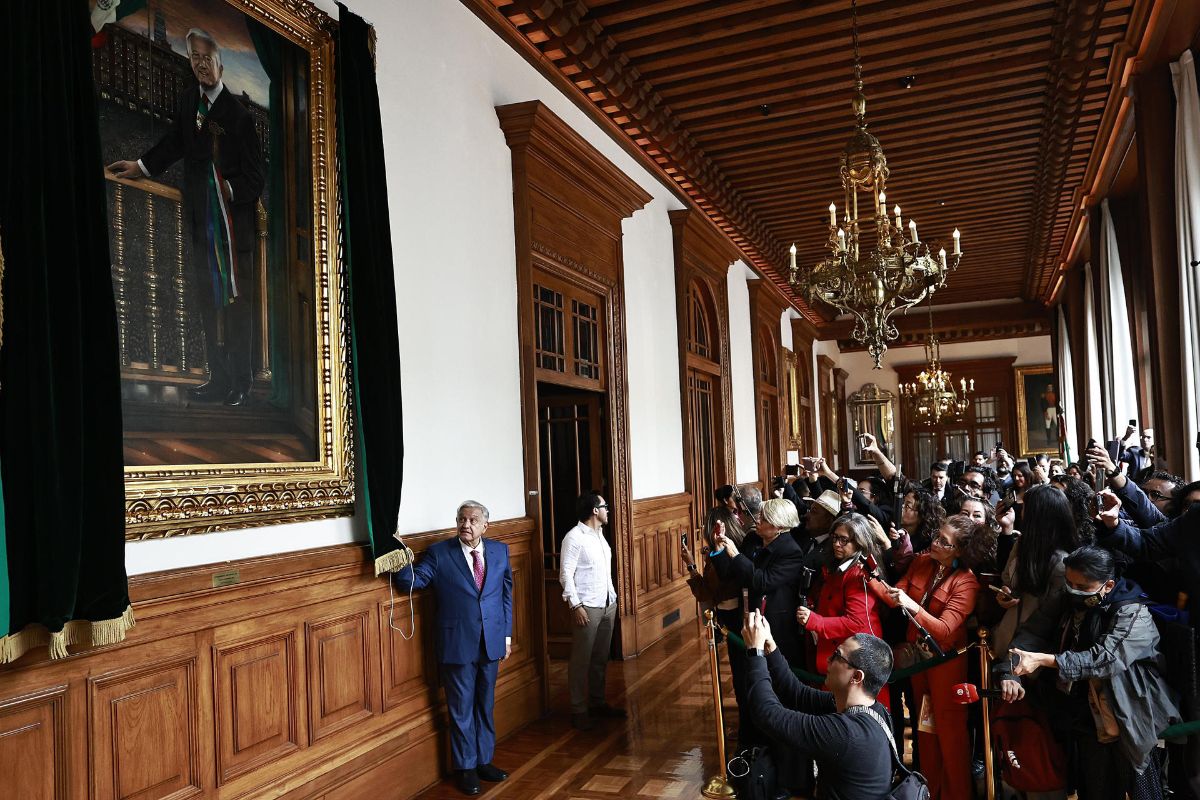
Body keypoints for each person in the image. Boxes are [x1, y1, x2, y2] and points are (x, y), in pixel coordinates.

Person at [108, 28, 265, 407]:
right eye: (193, 57)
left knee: (237, 306)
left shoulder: (240, 117)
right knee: (208, 301)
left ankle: (240, 384)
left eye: (205, 58)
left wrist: (226, 192)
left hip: (233, 233)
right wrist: (142, 166)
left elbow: (255, 179)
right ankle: (217, 378)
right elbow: (175, 144)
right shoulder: (186, 103)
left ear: (220, 65)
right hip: (200, 227)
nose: (199, 64)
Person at [997, 546, 1180, 799]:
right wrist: (1011, 672)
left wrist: (1047, 661)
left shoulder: (1133, 612)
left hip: (1128, 713)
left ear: (1108, 585)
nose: (1074, 591)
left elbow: (1105, 659)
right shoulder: (1066, 598)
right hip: (1084, 715)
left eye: (1083, 587)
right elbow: (1034, 633)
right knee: (1095, 790)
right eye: (1070, 583)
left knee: (1142, 792)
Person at [393, 501, 512, 796]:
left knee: (485, 705)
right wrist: (395, 556)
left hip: (492, 641)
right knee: (461, 709)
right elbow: (415, 581)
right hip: (457, 644)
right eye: (461, 519)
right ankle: (466, 768)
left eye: (472, 520)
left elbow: (506, 596)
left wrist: (506, 637)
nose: (465, 525)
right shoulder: (439, 553)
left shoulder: (499, 551)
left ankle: (485, 760)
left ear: (486, 525)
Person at [883, 514, 995, 800]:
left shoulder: (966, 583)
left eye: (943, 542)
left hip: (946, 665)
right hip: (919, 662)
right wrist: (870, 578)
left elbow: (945, 630)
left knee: (951, 737)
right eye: (936, 536)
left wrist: (909, 604)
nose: (934, 543)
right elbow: (893, 595)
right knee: (926, 731)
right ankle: (929, 792)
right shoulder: (922, 562)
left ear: (959, 550)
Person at [741, 613, 896, 800]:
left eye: (837, 656)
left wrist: (754, 652)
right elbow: (797, 693)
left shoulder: (846, 733)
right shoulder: (873, 709)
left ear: (857, 677)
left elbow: (767, 714)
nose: (829, 660)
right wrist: (769, 646)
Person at [796, 513, 890, 707]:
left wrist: (816, 621)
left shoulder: (858, 572)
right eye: (835, 538)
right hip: (840, 653)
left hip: (857, 658)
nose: (837, 544)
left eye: (844, 540)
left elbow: (857, 622)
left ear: (859, 542)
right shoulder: (840, 565)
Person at [712, 498, 806, 664]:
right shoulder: (752, 539)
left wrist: (736, 555)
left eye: (764, 518)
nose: (757, 520)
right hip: (747, 615)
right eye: (759, 515)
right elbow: (731, 575)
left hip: (774, 624)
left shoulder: (790, 550)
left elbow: (762, 582)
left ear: (780, 526)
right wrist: (719, 548)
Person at [560, 492, 624, 731]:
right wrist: (575, 605)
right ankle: (578, 709)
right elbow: (566, 574)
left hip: (608, 603)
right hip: (587, 606)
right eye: (605, 506)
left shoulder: (600, 535)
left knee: (600, 658)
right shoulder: (574, 537)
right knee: (581, 660)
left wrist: (613, 599)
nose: (608, 510)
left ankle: (597, 702)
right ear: (595, 510)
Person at [991, 484, 1080, 657]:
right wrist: (1005, 594)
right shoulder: (1023, 544)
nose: (1021, 512)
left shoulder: (1062, 564)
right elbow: (1006, 580)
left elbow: (1046, 621)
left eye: (1025, 508)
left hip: (1033, 652)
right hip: (1008, 633)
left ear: (1037, 516)